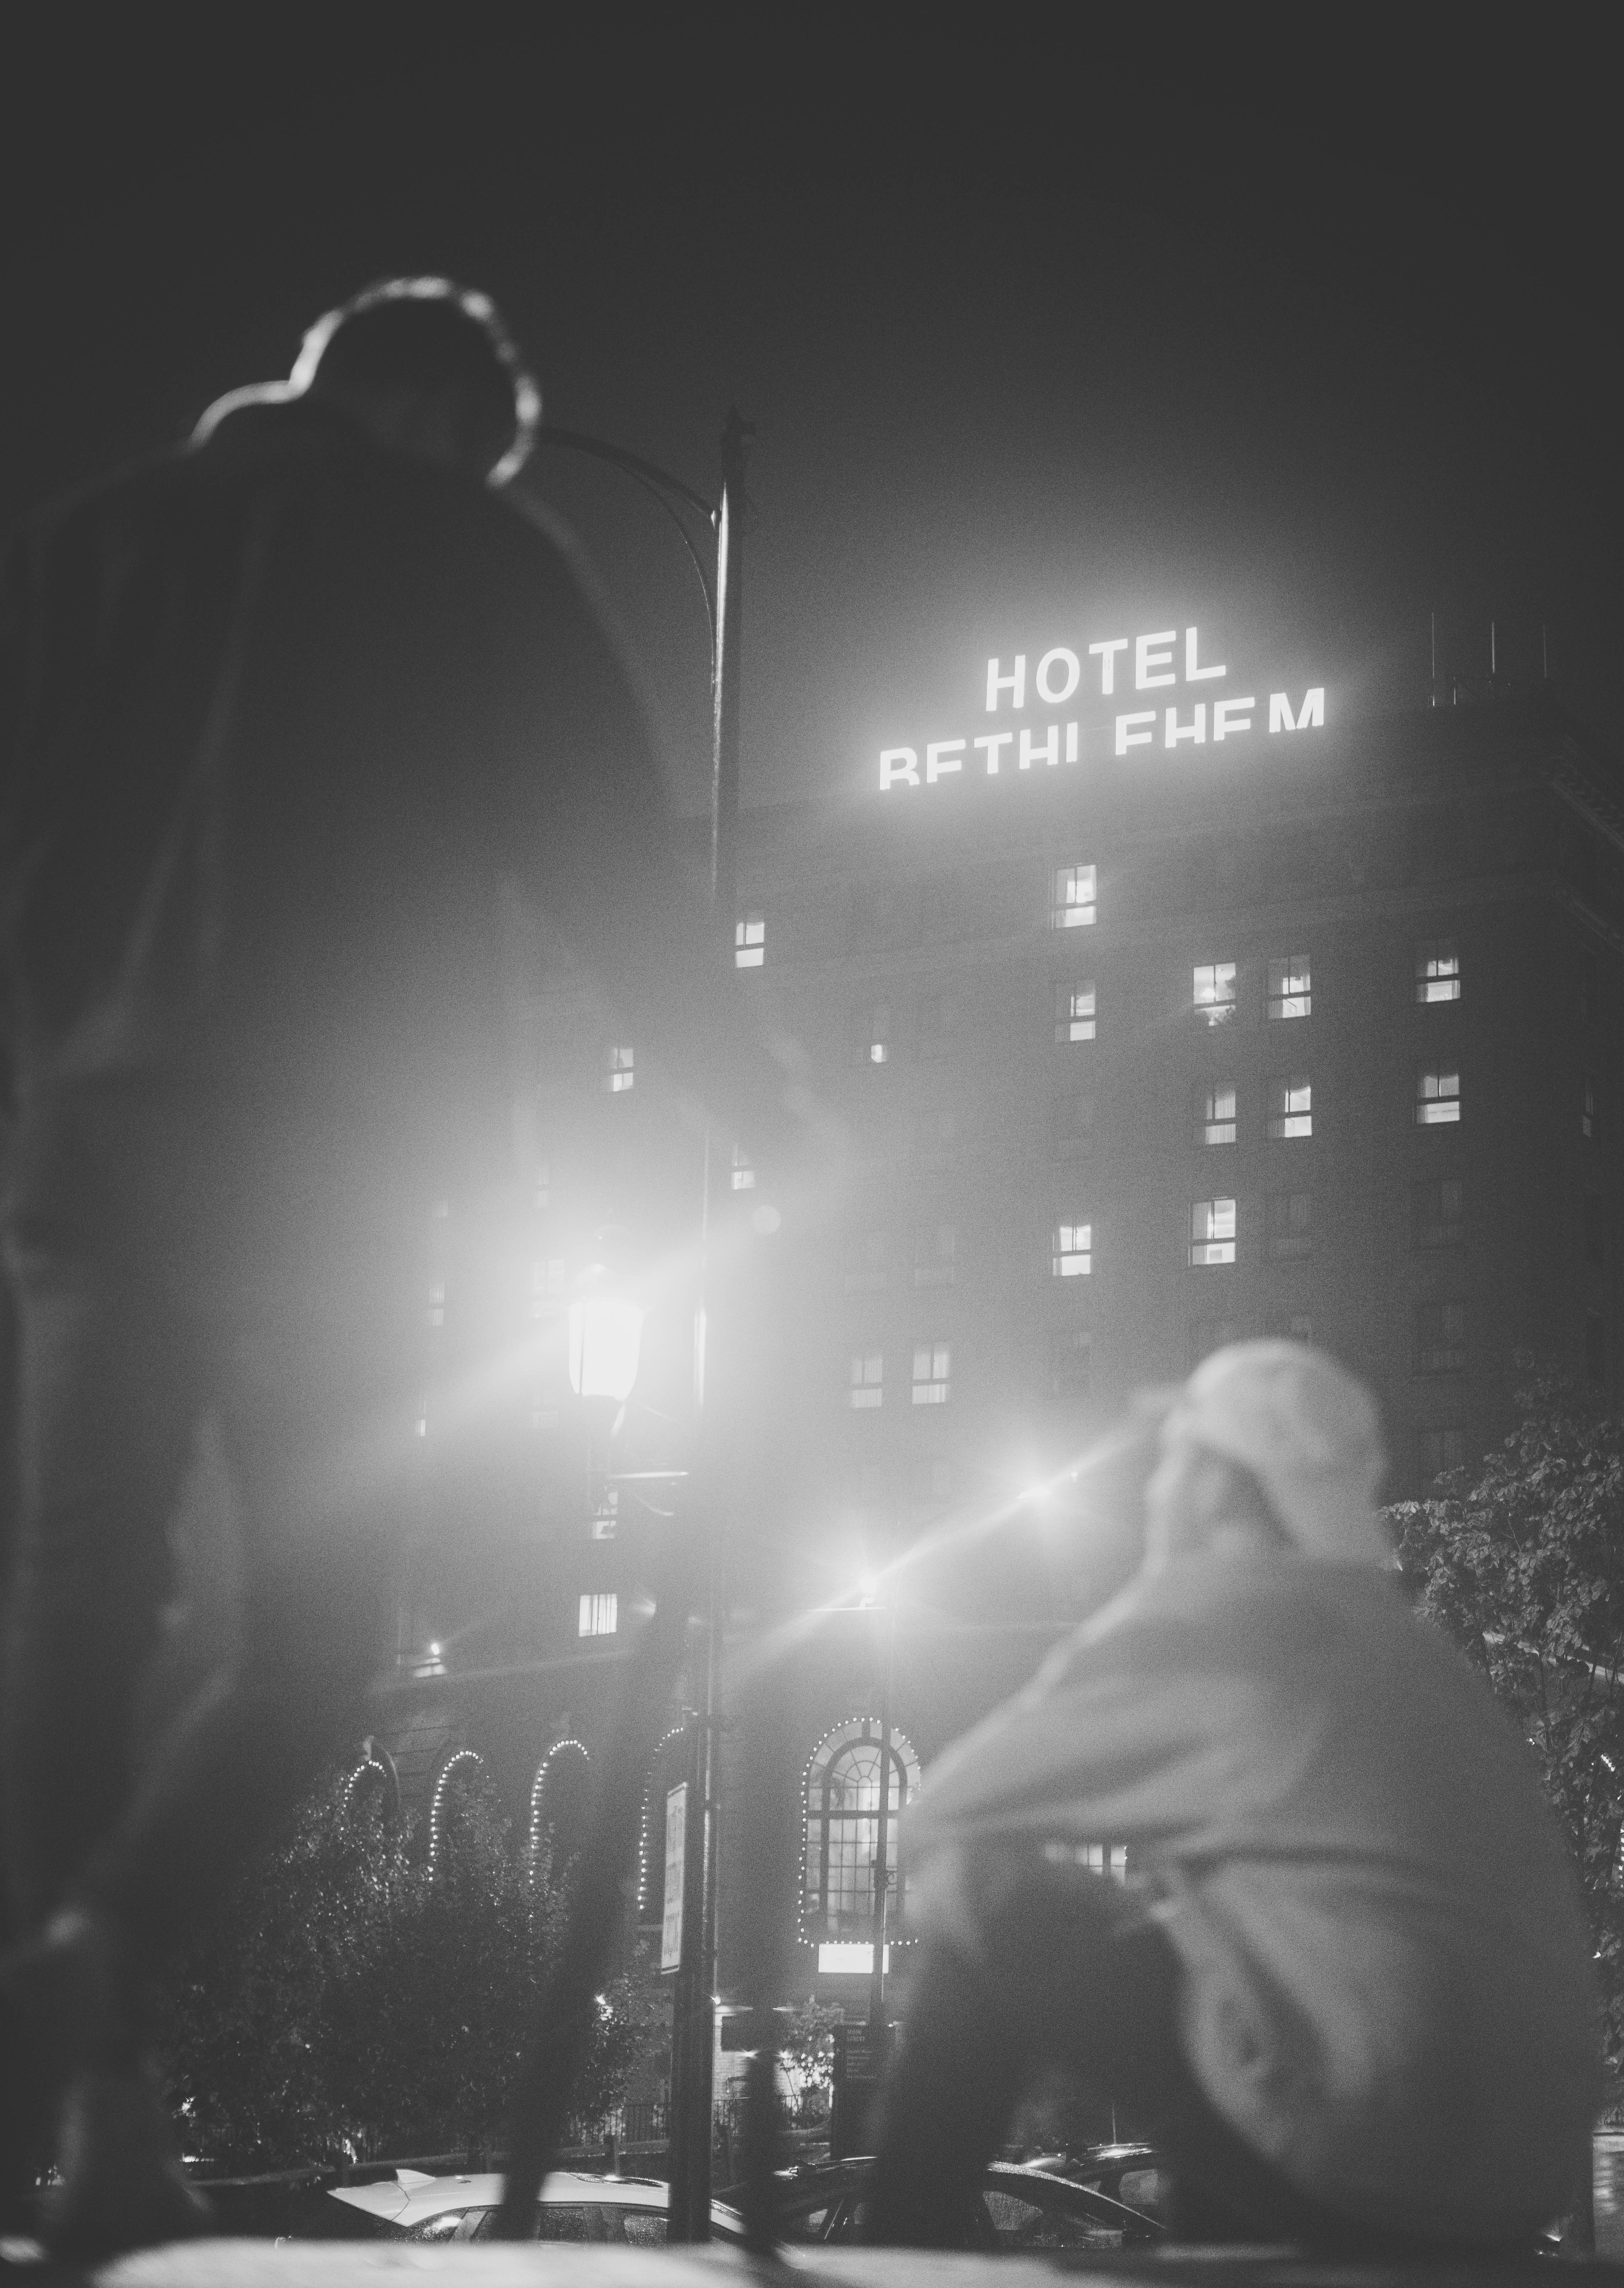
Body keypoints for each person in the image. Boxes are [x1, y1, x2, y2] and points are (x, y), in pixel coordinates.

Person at [0, 277, 804, 2258]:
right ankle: (98, 1952)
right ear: (447, 411)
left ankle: (72, 2096)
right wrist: (754, 1110)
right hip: (334, 1159)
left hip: (94, 1152)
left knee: (83, 1616)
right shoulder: (465, 538)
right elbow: (609, 855)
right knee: (310, 1644)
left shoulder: (95, 543)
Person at [867, 1340, 1599, 2254]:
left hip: (1362, 2150)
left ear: (1212, 1487)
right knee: (1222, 1988)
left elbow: (942, 1811)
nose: (1152, 1485)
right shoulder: (1408, 1649)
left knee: (982, 1883)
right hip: (1515, 2177)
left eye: (1172, 1456)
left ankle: (891, 2248)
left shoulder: (1217, 1614)